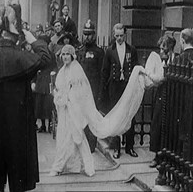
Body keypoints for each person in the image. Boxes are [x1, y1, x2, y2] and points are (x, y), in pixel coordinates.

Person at [0, 4, 51, 192]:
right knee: (18, 183)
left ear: (0, 36)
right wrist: (34, 40)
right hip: (18, 133)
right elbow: (47, 59)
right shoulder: (22, 58)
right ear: (16, 39)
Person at [49, 44, 164, 177]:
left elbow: (81, 92)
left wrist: (67, 98)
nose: (65, 57)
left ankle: (59, 167)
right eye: (63, 54)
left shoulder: (76, 70)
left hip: (73, 110)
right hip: (65, 110)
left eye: (67, 54)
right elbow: (61, 89)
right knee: (73, 138)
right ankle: (86, 166)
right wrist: (58, 96)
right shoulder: (63, 71)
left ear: (72, 56)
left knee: (75, 138)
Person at [98, 23, 139, 159]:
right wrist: (103, 89)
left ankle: (129, 147)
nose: (119, 38)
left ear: (125, 35)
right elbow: (105, 71)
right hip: (114, 87)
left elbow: (135, 69)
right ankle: (116, 148)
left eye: (121, 36)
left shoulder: (131, 50)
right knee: (115, 117)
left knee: (129, 115)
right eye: (117, 36)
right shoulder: (110, 50)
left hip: (127, 86)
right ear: (114, 35)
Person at [149, 33, 176, 168]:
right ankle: (156, 155)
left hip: (172, 95)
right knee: (157, 123)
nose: (161, 52)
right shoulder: (159, 61)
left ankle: (168, 155)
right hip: (160, 93)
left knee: (169, 124)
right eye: (160, 49)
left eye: (163, 49)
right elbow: (153, 76)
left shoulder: (175, 60)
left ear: (170, 49)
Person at [77, 19, 105, 153]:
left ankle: (91, 145)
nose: (87, 37)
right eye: (85, 34)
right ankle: (81, 144)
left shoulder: (99, 52)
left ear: (94, 35)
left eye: (89, 34)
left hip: (93, 91)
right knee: (80, 118)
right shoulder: (79, 51)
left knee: (91, 119)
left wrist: (100, 95)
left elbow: (102, 75)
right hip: (81, 91)